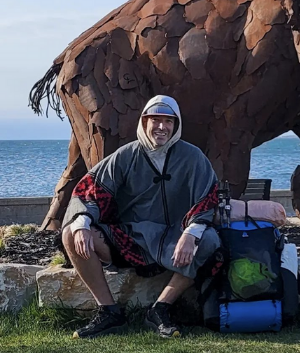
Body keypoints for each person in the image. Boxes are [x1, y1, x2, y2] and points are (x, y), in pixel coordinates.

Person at [61, 95, 221, 339]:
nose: (161, 127)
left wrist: (191, 232)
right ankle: (109, 312)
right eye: (155, 120)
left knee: (209, 242)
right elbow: (89, 190)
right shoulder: (125, 156)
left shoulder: (193, 157)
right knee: (71, 234)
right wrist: (82, 222)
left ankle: (160, 309)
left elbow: (208, 198)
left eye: (168, 121)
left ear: (176, 125)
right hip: (130, 240)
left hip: (173, 240)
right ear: (144, 122)